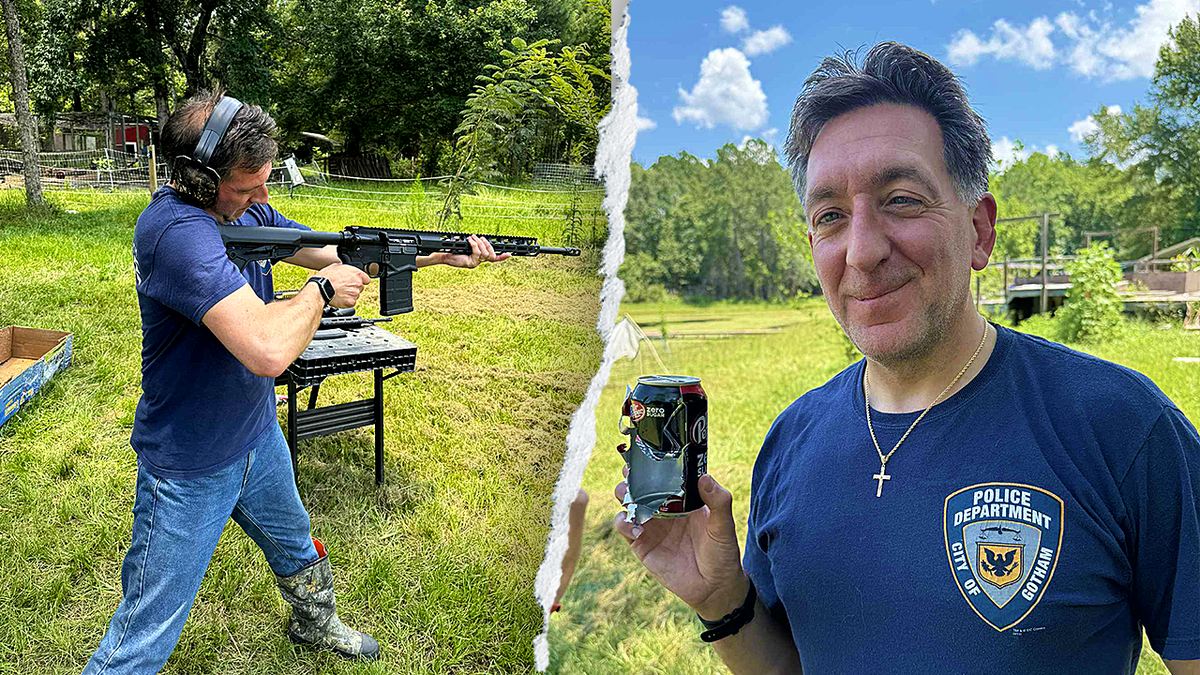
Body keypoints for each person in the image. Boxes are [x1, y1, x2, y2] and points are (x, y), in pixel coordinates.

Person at [614, 42, 1200, 674]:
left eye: (901, 199)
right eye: (831, 215)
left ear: (979, 230)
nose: (861, 251)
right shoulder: (791, 441)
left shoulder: (1124, 429)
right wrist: (722, 602)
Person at [84, 89, 507, 674]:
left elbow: (332, 251)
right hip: (190, 461)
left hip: (255, 434)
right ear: (198, 178)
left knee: (296, 544)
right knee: (146, 628)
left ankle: (314, 621)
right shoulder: (176, 233)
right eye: (247, 186)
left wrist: (433, 256)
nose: (263, 199)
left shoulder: (245, 214)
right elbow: (268, 349)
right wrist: (322, 292)